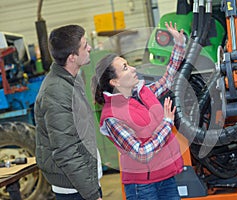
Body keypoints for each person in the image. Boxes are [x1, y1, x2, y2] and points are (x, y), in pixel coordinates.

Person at [91, 22, 185, 200]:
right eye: (125, 68)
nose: (133, 69)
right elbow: (142, 153)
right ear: (115, 82)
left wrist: (179, 44)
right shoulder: (112, 117)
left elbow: (169, 77)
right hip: (142, 186)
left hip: (165, 176)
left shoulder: (144, 92)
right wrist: (166, 123)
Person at [34, 24, 102, 200]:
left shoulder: (70, 80)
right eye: (85, 45)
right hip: (75, 189)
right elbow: (66, 151)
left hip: (83, 183)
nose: (90, 48)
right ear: (72, 57)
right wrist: (92, 194)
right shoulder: (56, 91)